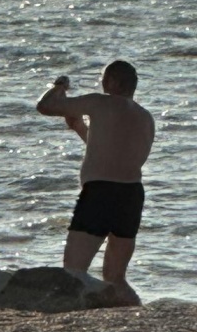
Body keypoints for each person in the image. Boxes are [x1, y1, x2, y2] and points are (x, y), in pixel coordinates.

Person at [35, 60, 155, 306]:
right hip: (131, 194)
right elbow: (110, 150)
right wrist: (79, 126)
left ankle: (75, 315)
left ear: (111, 82)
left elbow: (45, 106)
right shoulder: (145, 117)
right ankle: (137, 314)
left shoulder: (101, 102)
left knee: (74, 269)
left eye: (103, 80)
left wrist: (59, 85)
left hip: (101, 192)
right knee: (115, 277)